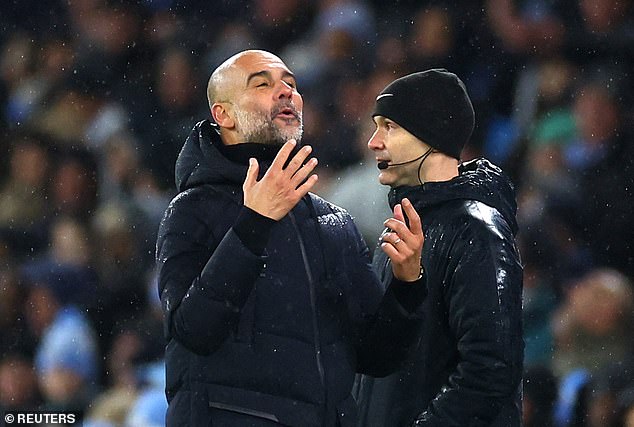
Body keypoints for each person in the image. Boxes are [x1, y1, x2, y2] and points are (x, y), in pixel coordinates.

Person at [155, 49, 427, 427]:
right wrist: (254, 223)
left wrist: (407, 284)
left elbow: (376, 356)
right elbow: (193, 331)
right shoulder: (191, 209)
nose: (285, 91)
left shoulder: (333, 222)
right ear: (224, 115)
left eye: (291, 84)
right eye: (262, 83)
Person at [358, 69, 524, 426]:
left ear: (430, 135)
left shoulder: (477, 230)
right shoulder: (402, 227)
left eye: (390, 126)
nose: (373, 141)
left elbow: (490, 373)